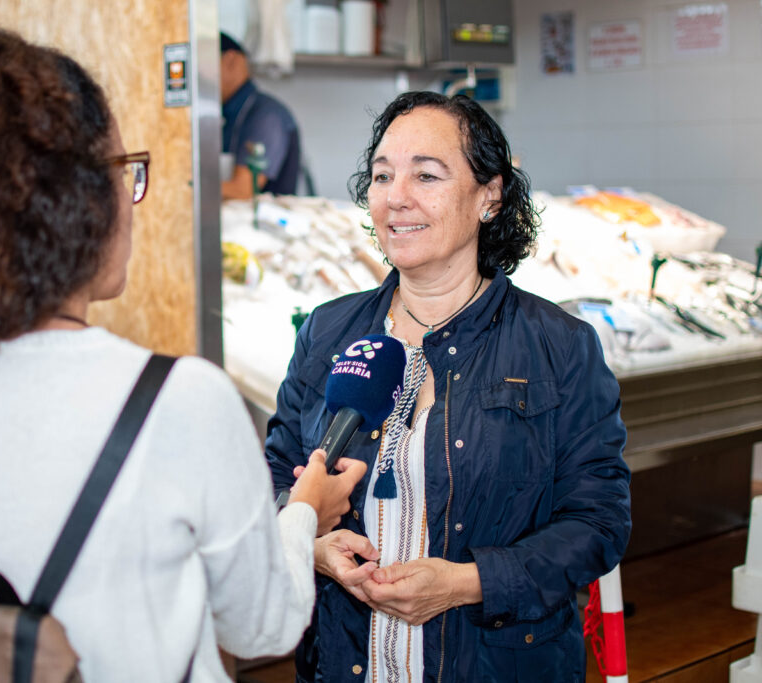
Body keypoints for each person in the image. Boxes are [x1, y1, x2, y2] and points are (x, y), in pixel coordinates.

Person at [0, 25, 367, 682]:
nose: (131, 201)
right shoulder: (178, 399)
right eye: (123, 171)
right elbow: (261, 623)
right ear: (71, 203)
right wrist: (305, 509)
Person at [265, 91, 631, 681]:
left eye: (426, 175)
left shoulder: (559, 344)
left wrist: (466, 583)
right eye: (382, 176)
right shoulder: (328, 329)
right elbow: (278, 472)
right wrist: (310, 544)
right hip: (345, 659)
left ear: (490, 195)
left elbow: (598, 522)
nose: (396, 197)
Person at [220, 32, 301, 199]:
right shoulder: (225, 115)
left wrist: (183, 185)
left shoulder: (266, 116)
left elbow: (244, 190)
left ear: (231, 61)